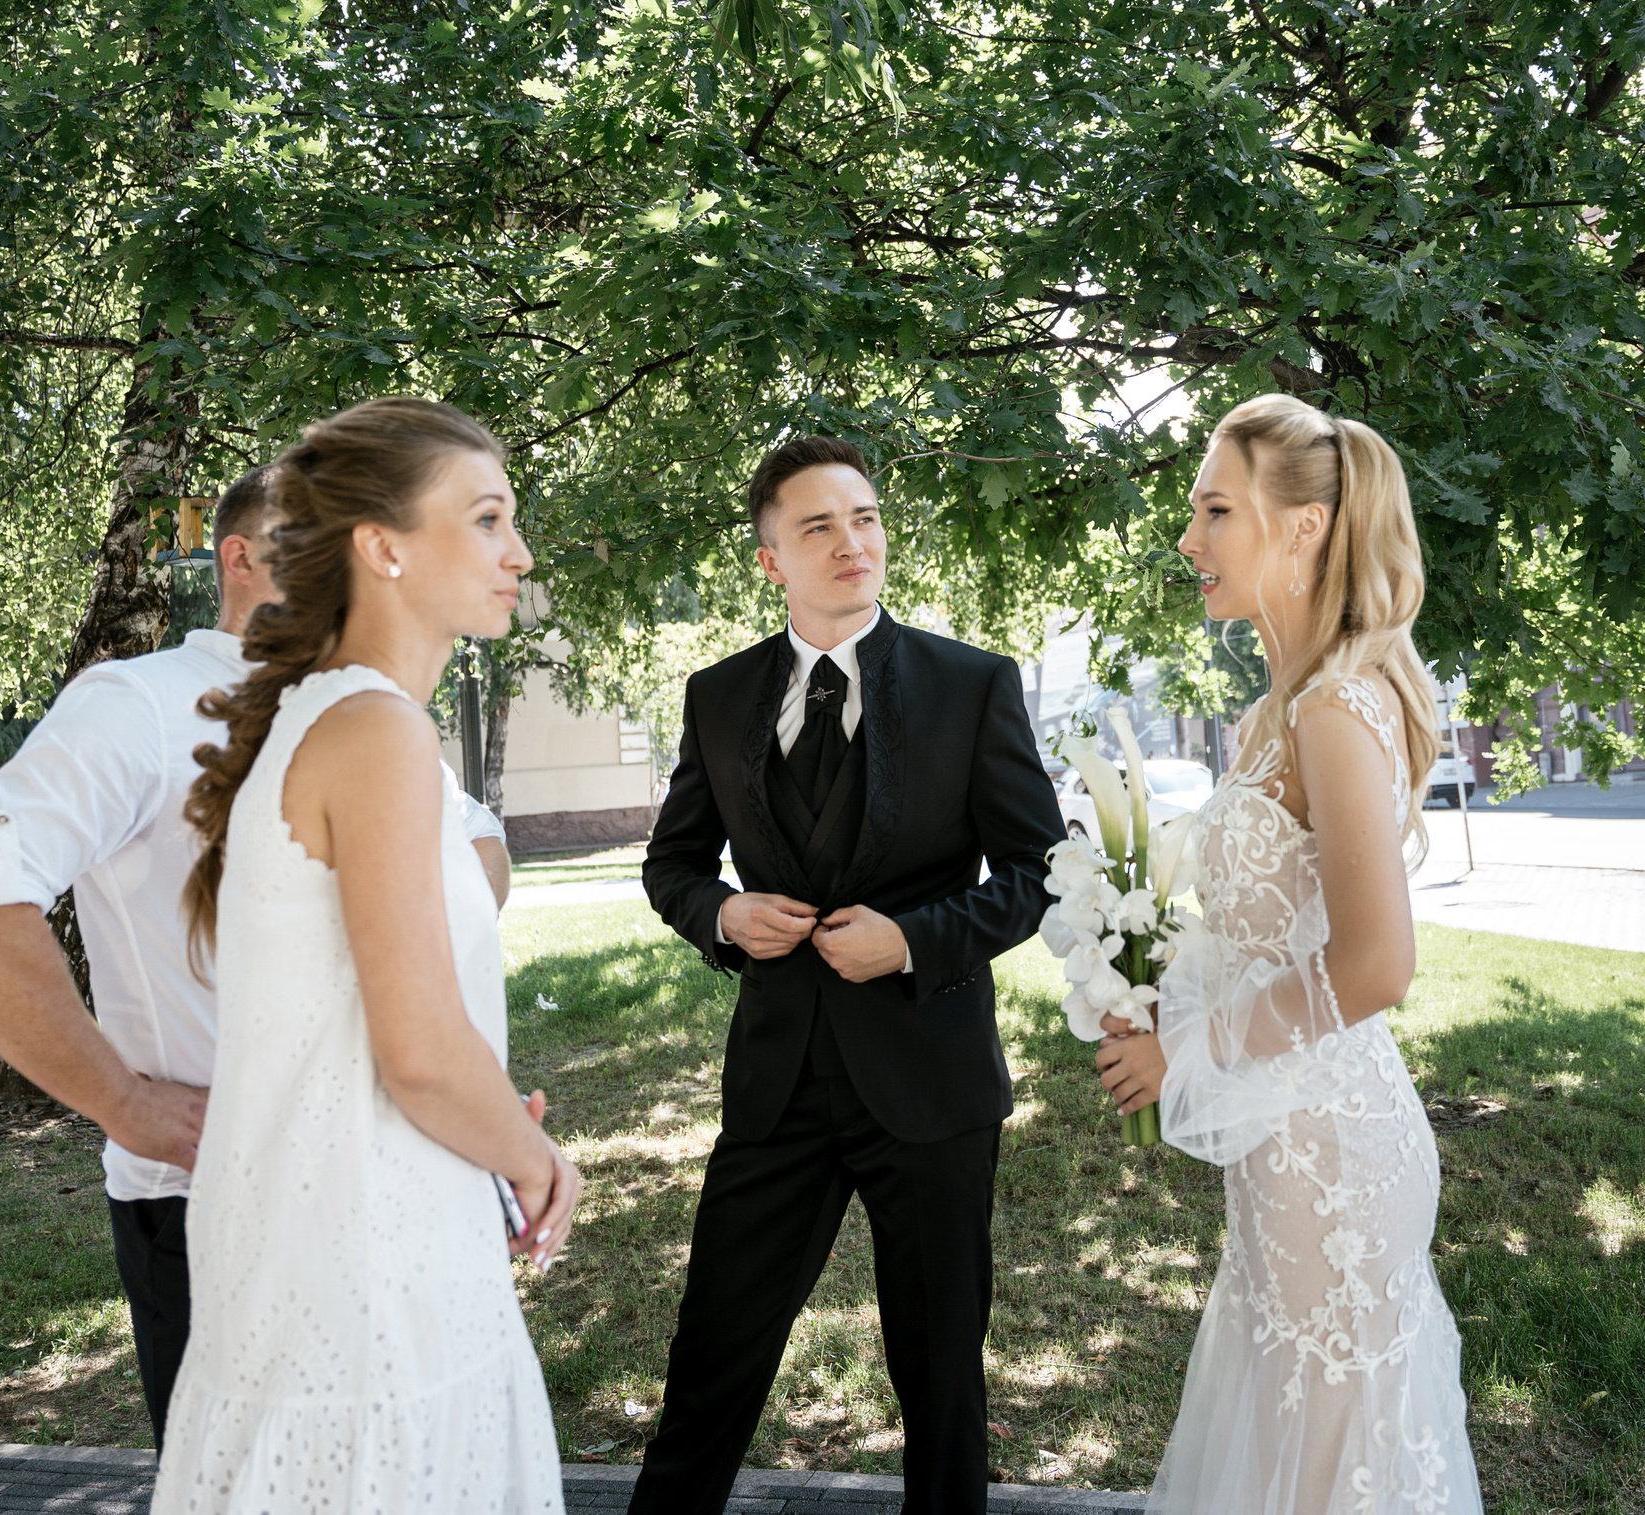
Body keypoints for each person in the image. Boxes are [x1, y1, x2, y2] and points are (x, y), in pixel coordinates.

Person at [0, 466, 509, 1446]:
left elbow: (480, 842)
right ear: (242, 558)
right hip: (231, 1206)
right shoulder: (141, 706)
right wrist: (124, 1103)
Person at [153, 396, 575, 1514]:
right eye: (486, 519)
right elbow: (421, 1054)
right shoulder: (373, 730)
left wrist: (490, 1117)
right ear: (380, 547)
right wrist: (540, 1167)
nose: (518, 554)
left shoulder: (350, 722)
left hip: (364, 1232)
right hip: (366, 1266)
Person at [635, 436, 1068, 1515]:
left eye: (865, 518)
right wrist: (724, 915)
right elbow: (671, 866)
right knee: (713, 1357)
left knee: (939, 1380)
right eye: (818, 527)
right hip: (778, 1082)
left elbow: (1035, 873)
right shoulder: (719, 694)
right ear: (770, 557)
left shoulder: (971, 686)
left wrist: (915, 938)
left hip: (929, 1079)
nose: (852, 542)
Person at [1091, 395, 1484, 1513]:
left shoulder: (1334, 707)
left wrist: (1193, 1050)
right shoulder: (1274, 713)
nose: (1189, 540)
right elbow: (1269, 933)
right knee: (1280, 1433)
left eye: (1215, 510)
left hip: (1334, 1153)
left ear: (1302, 528)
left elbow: (1373, 970)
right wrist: (1151, 992)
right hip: (1280, 1144)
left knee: (1326, 1457)